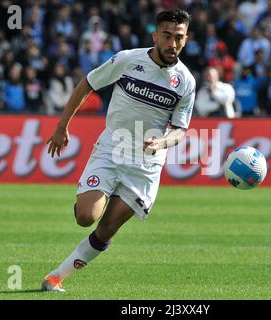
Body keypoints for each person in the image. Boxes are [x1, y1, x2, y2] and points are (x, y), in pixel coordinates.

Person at [41, 8, 195, 292]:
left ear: (186, 39)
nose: (173, 43)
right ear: (155, 35)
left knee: (107, 229)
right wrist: (62, 125)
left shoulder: (185, 82)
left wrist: (162, 142)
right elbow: (88, 83)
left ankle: (55, 277)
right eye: (167, 36)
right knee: (85, 217)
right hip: (112, 148)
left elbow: (180, 130)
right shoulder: (128, 60)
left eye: (179, 37)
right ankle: (97, 191)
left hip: (146, 164)